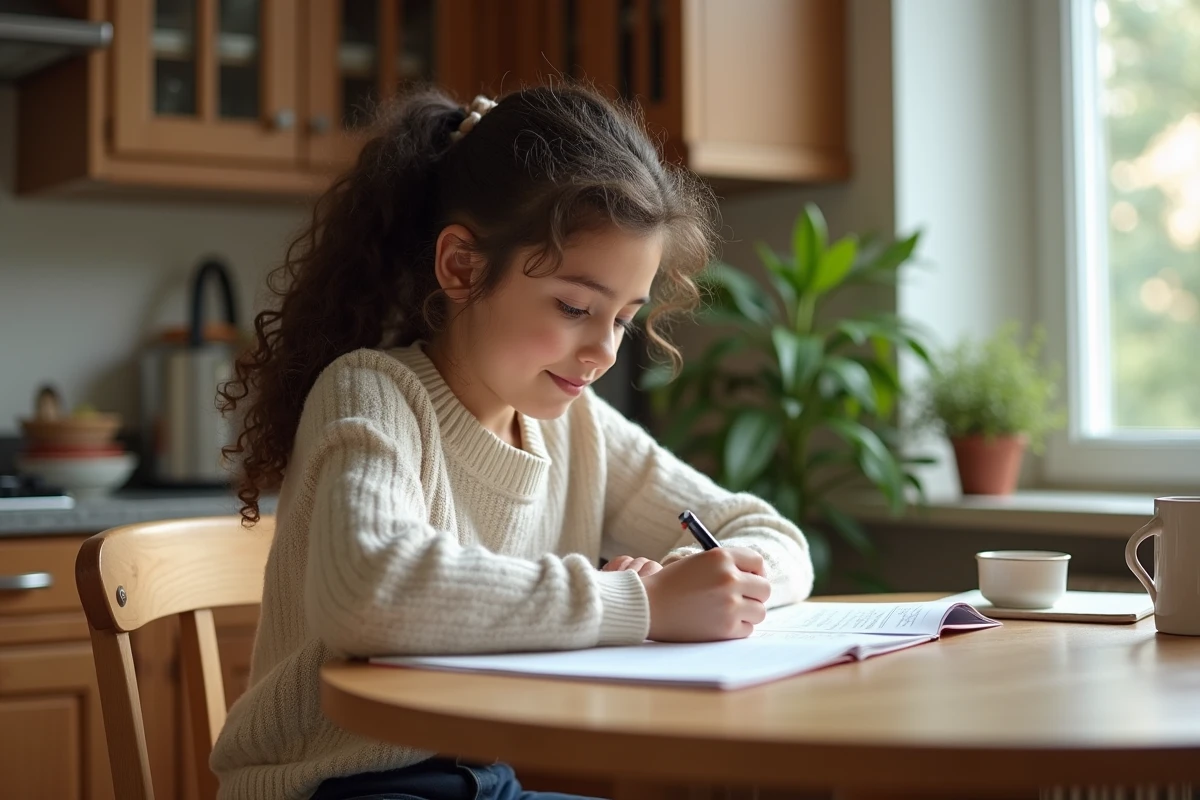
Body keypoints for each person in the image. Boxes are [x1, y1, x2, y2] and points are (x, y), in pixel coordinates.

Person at [210, 84, 813, 800]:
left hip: (480, 784)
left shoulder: (576, 426)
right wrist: (641, 602)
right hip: (337, 787)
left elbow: (771, 534)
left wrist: (702, 577)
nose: (604, 352)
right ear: (462, 267)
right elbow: (366, 590)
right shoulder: (373, 392)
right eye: (573, 307)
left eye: (622, 318)